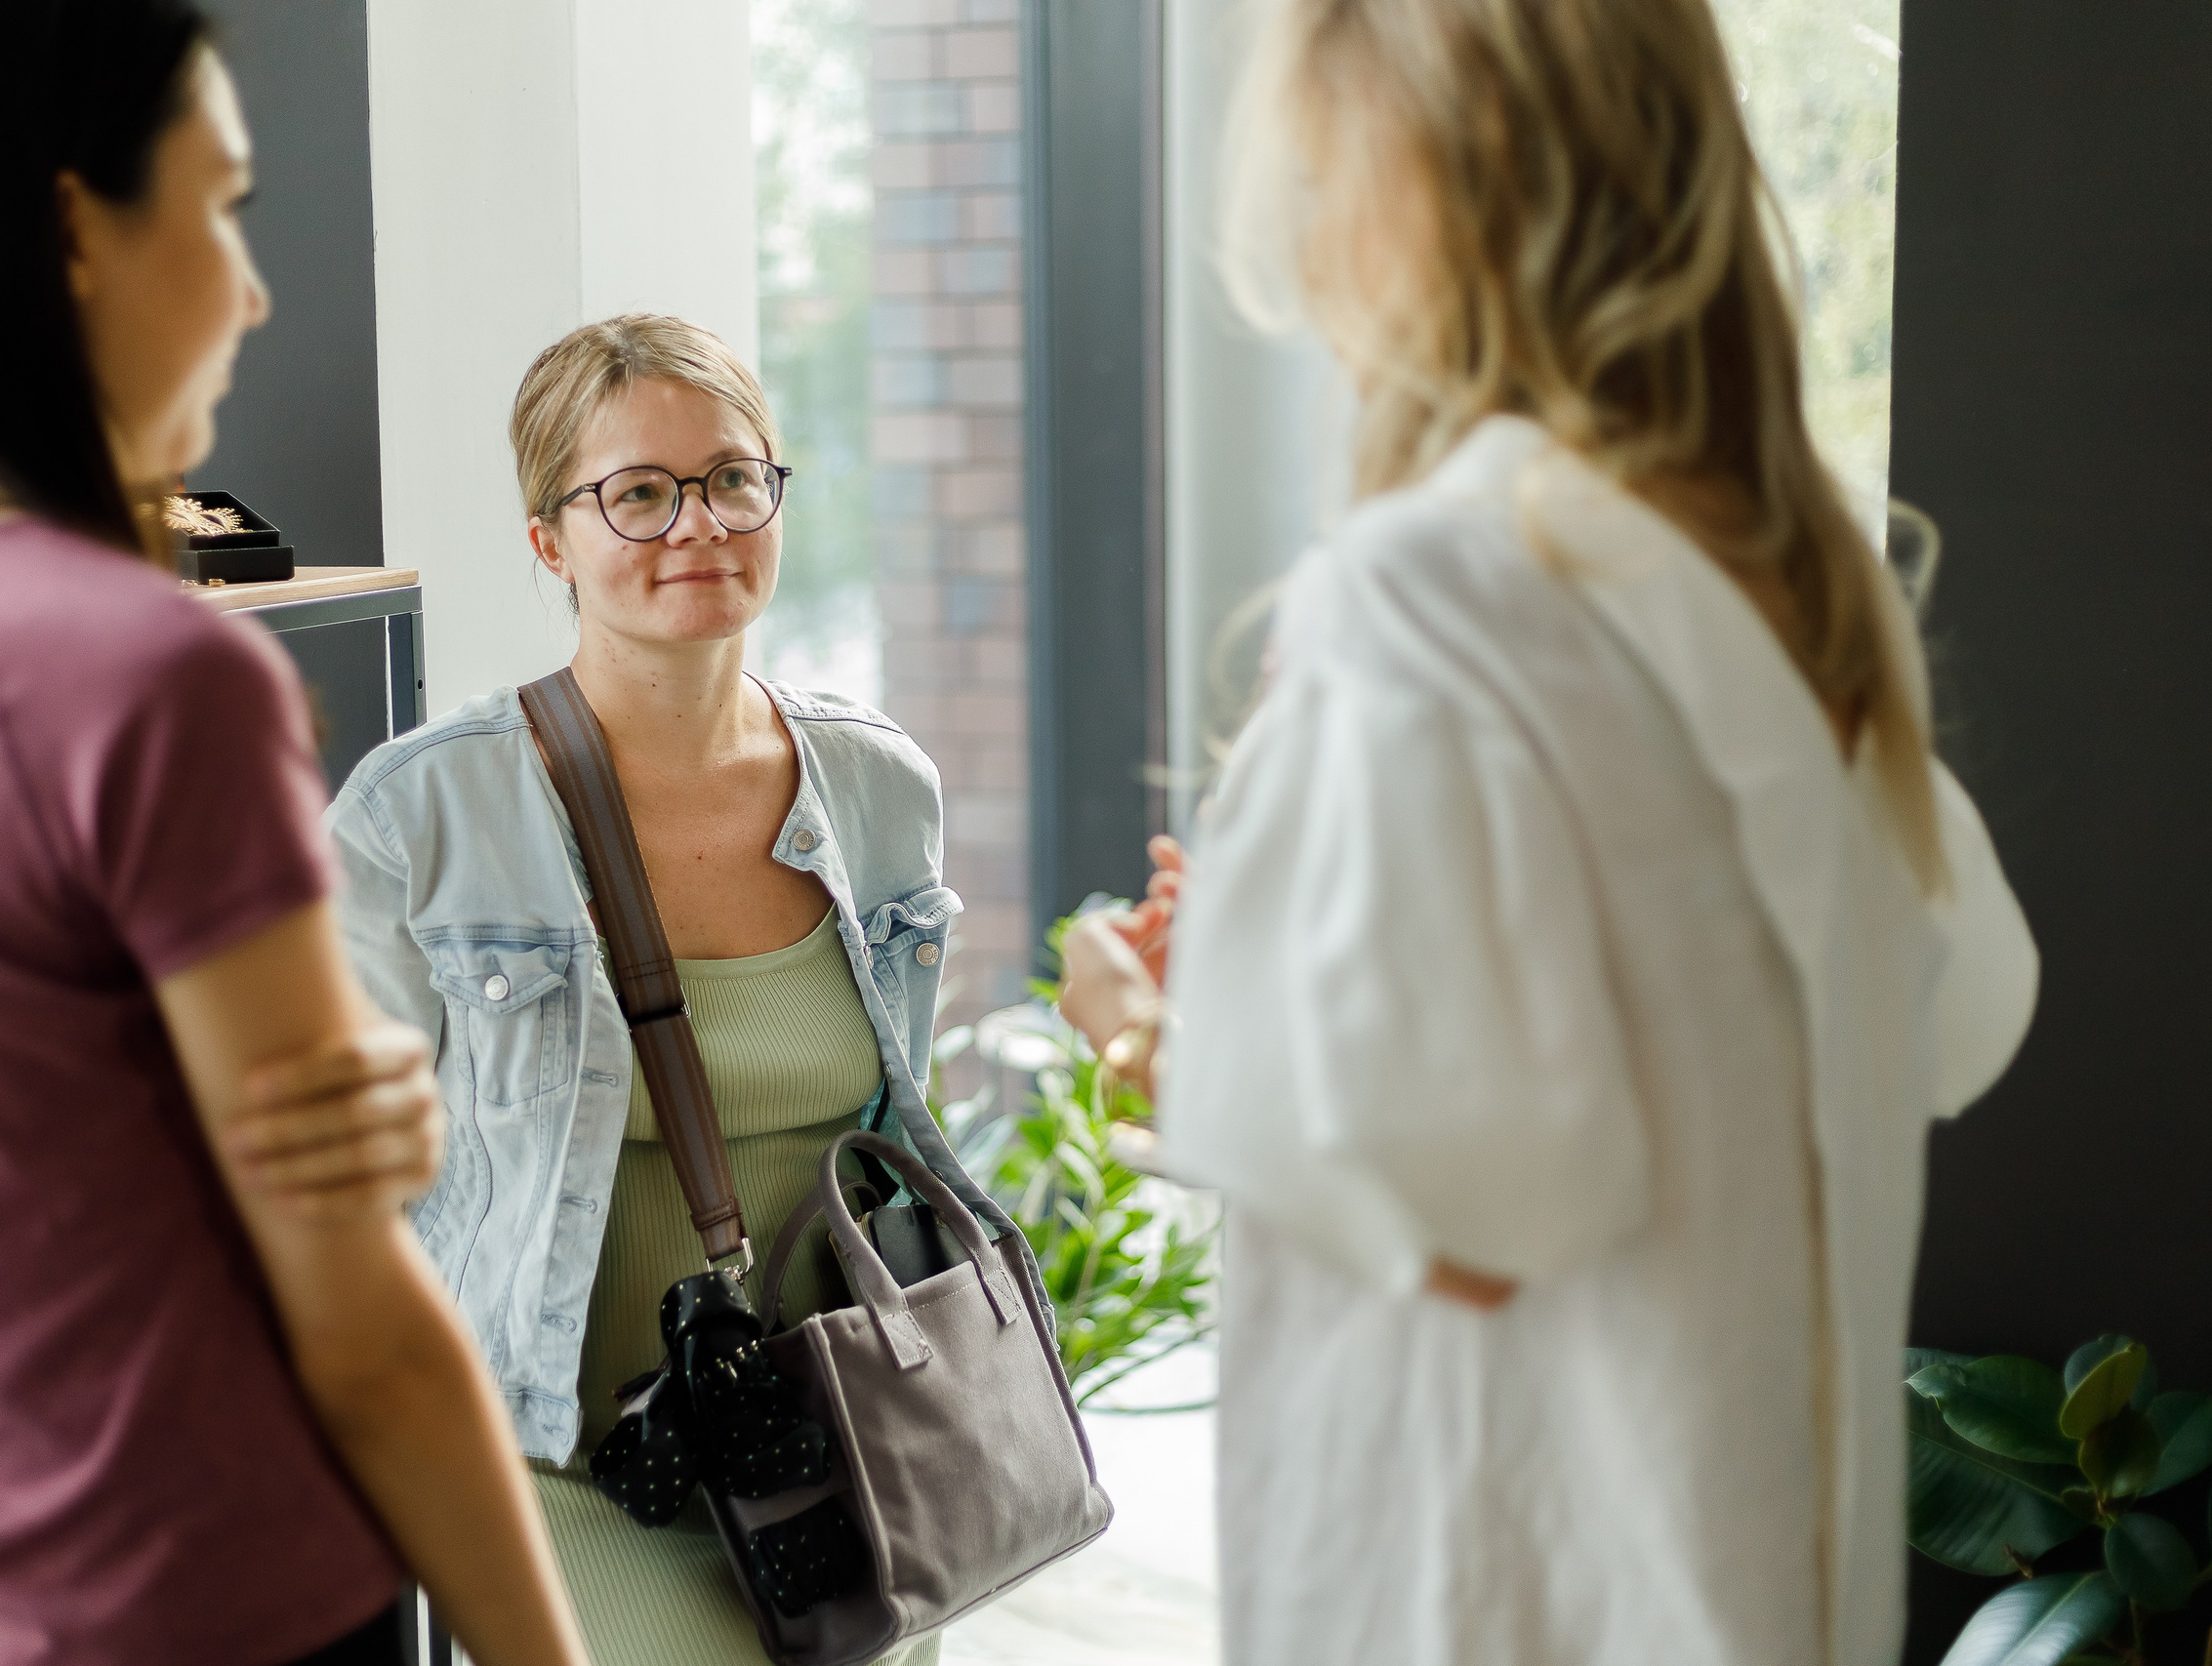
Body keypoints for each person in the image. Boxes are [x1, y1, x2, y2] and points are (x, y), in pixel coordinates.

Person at [1056, 0, 2039, 1662]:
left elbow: (1465, 1211)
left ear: (1422, 179)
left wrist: (1160, 1027)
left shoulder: (1442, 588)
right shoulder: (1800, 592)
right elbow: (1954, 1018)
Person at [0, 4, 592, 1663]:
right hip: (187, 1601)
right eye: (226, 206)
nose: (257, 291)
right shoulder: (144, 675)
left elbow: (3, 1142)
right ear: (71, 233)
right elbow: (370, 1345)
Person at [328, 313, 1003, 1665]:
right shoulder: (425, 815)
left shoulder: (878, 789)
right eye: (636, 494)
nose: (697, 524)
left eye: (733, 479)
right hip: (565, 1463)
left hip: (842, 1438)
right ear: (549, 540)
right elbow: (350, 1202)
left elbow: (893, 1134)